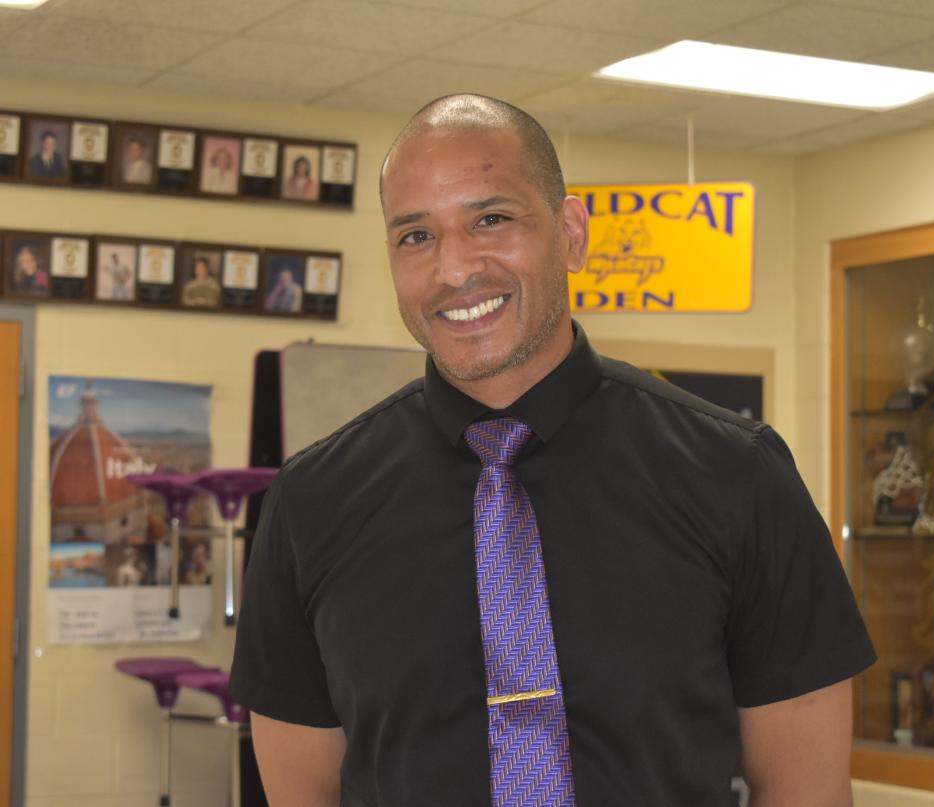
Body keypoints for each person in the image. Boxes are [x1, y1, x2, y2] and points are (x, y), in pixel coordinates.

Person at [230, 94, 875, 807]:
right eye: (416, 237)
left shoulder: (737, 475)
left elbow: (805, 789)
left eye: (492, 219)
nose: (453, 269)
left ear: (570, 233)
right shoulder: (313, 503)